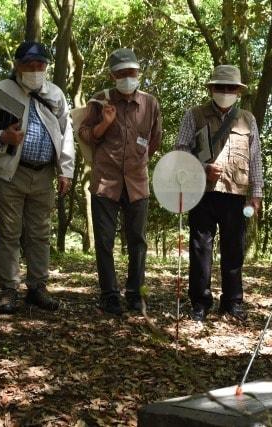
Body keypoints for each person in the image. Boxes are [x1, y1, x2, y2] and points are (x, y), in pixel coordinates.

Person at [0, 41, 75, 314]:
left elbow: (67, 134)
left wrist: (65, 170)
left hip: (43, 174)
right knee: (8, 232)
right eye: (29, 65)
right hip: (10, 173)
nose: (35, 70)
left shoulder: (55, 94)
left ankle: (37, 287)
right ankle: (9, 289)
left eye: (40, 65)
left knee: (40, 233)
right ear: (17, 66)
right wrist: (2, 136)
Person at [175, 65, 264, 322]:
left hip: (236, 194)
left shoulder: (248, 119)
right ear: (211, 89)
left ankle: (233, 302)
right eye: (220, 87)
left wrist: (256, 193)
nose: (225, 92)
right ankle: (200, 302)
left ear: (238, 91)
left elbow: (255, 156)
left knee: (234, 248)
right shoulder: (194, 115)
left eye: (231, 88)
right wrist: (202, 168)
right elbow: (180, 151)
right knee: (201, 248)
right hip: (202, 193)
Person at [78, 48, 162, 315]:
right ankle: (109, 294)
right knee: (104, 240)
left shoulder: (150, 103)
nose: (128, 77)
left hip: (137, 182)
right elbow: (85, 134)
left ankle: (135, 293)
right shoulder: (100, 102)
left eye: (132, 72)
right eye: (122, 73)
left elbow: (155, 139)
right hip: (106, 180)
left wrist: (139, 160)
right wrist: (105, 123)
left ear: (139, 72)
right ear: (113, 75)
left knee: (138, 239)